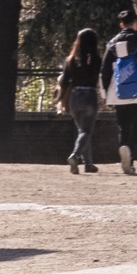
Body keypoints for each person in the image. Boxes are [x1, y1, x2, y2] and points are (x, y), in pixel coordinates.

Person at [100, 7, 137, 174]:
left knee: (123, 127)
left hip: (119, 94)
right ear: (136, 23)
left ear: (121, 25)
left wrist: (104, 94)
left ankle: (125, 150)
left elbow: (104, 71)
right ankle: (130, 152)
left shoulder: (112, 44)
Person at [58, 29, 103, 173]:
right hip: (89, 95)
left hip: (74, 97)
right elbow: (100, 78)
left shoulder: (71, 59)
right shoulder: (96, 59)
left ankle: (88, 164)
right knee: (86, 130)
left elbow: (64, 81)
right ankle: (75, 155)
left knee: (82, 131)